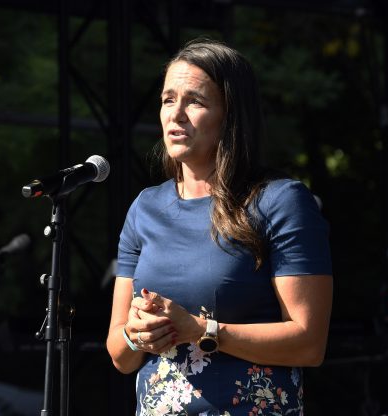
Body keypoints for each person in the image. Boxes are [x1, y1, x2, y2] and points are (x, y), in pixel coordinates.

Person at [106, 38, 333, 416]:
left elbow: (309, 344)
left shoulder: (280, 201)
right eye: (168, 100)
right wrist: (136, 334)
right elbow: (120, 355)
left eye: (194, 101)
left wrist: (202, 330)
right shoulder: (145, 208)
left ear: (231, 115)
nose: (176, 114)